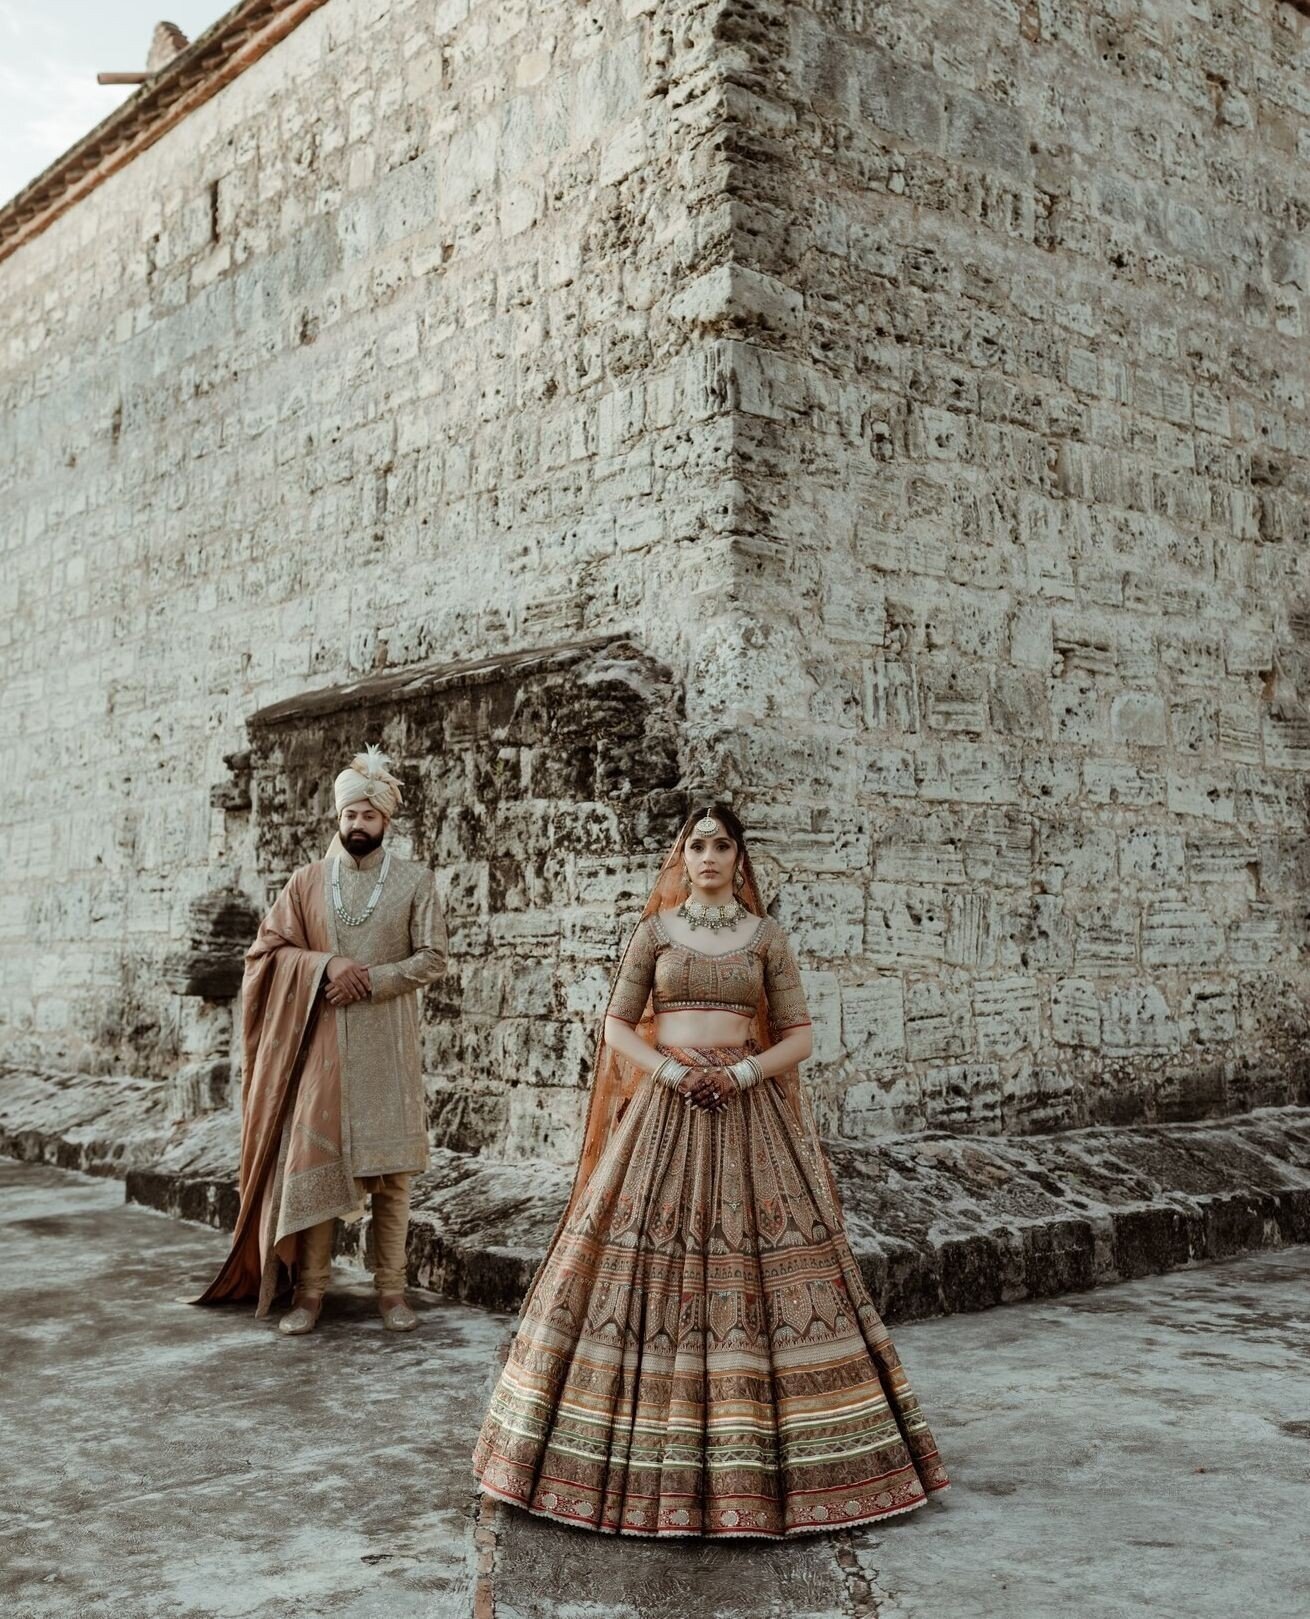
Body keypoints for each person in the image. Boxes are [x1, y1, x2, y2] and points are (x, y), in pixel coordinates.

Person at [472, 803, 949, 1537]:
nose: (708, 856)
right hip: (665, 1112)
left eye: (722, 844)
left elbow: (801, 1036)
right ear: (682, 854)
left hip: (747, 1110)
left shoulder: (767, 939)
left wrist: (743, 1073)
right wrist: (668, 1071)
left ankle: (778, 1466)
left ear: (739, 856)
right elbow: (615, 1027)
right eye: (696, 844)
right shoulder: (653, 933)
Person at [194, 746, 447, 1335]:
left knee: (393, 1179)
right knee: (315, 1168)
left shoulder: (415, 880)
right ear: (338, 818)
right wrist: (326, 965)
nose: (357, 825)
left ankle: (391, 1291)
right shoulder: (307, 881)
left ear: (387, 821)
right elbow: (265, 953)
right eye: (349, 815)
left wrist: (372, 980)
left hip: (388, 1046)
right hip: (322, 1051)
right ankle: (309, 1295)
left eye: (368, 816)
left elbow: (434, 957)